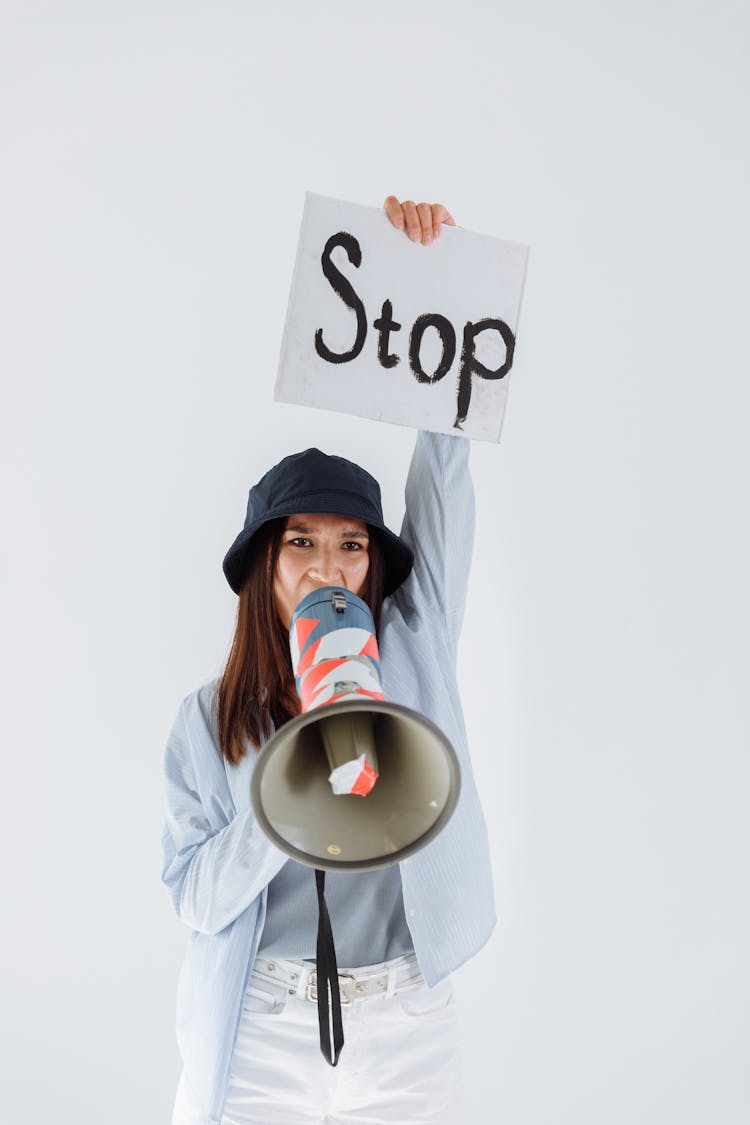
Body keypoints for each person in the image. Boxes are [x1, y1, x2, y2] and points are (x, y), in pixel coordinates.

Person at [161, 196, 497, 1125]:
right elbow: (194, 894)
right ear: (266, 568)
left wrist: (442, 282)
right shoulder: (208, 717)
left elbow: (446, 484)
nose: (326, 564)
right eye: (300, 542)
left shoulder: (413, 647)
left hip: (406, 1022)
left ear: (374, 566)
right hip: (259, 1022)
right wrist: (290, 790)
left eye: (351, 545)